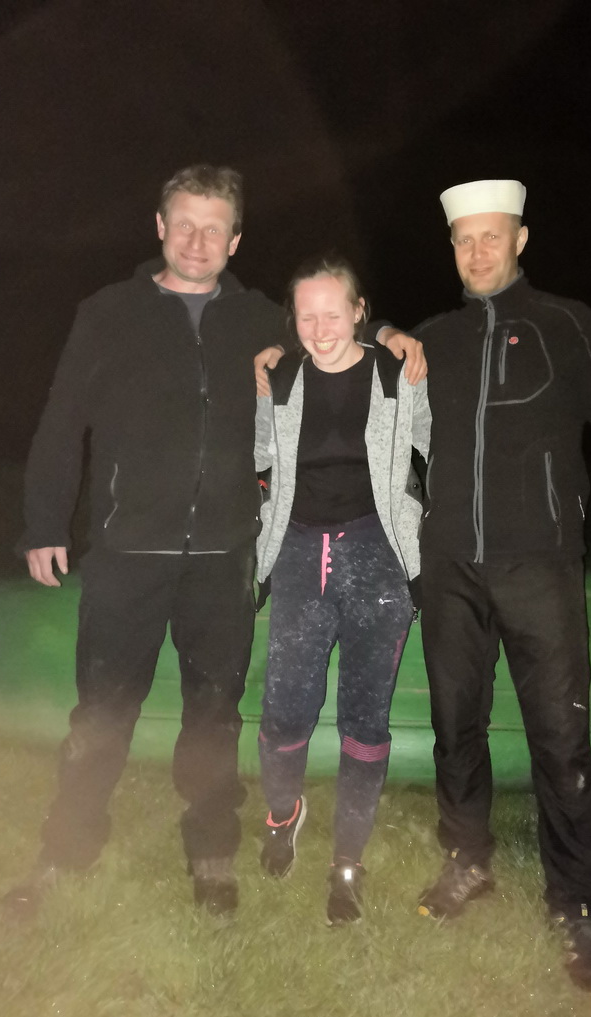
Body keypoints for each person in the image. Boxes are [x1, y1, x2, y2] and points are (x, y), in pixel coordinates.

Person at [3, 165, 424, 921]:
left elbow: (332, 324)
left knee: (213, 716)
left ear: (235, 240)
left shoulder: (261, 318)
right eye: (184, 224)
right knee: (101, 713)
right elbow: (62, 419)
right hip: (127, 551)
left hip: (225, 557)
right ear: (159, 227)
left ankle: (210, 851)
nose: (198, 240)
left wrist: (388, 331)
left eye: (215, 228)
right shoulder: (108, 313)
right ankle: (65, 849)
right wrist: (43, 522)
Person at [379, 179, 591, 995]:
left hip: (540, 562)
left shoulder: (569, 324)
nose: (478, 252)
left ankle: (576, 901)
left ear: (521, 239)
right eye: (464, 240)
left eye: (492, 236)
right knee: (454, 725)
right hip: (450, 566)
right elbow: (344, 337)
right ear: (452, 248)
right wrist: (385, 331)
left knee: (561, 737)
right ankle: (467, 860)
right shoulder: (434, 338)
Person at [253, 256, 431, 925]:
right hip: (299, 555)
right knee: (284, 713)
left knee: (365, 719)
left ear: (361, 312)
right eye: (307, 316)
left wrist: (425, 537)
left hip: (378, 558)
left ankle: (347, 861)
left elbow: (434, 450)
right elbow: (259, 462)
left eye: (334, 313)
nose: (321, 329)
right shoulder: (280, 378)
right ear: (293, 321)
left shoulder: (396, 374)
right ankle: (283, 814)